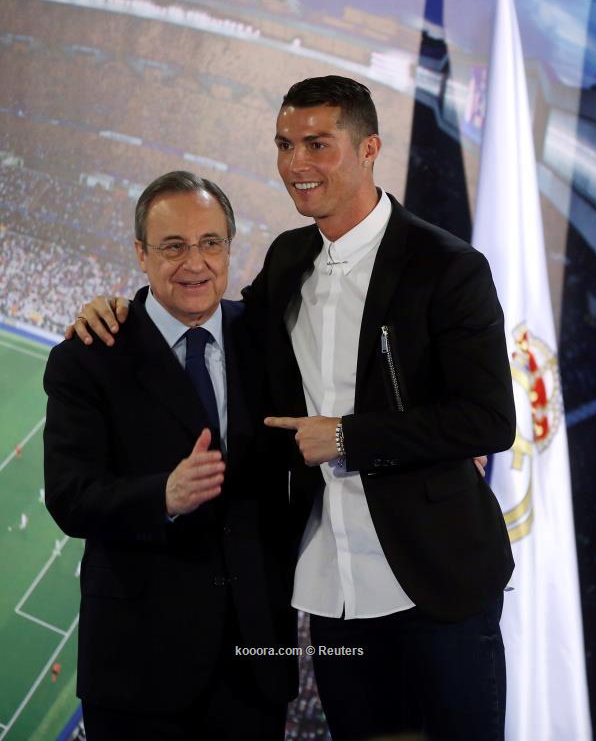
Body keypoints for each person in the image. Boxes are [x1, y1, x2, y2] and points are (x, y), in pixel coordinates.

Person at [69, 77, 515, 741]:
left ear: (369, 149)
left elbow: (490, 418)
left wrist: (348, 437)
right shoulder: (288, 257)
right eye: (284, 145)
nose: (295, 163)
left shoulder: (448, 267)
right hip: (333, 591)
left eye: (317, 144)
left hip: (438, 584)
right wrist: (125, 311)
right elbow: (215, 317)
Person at [44, 171, 295, 741]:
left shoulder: (268, 336)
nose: (195, 263)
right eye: (173, 246)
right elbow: (69, 497)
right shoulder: (90, 355)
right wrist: (163, 496)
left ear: (229, 248)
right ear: (141, 253)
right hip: (139, 669)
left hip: (255, 663)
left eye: (211, 243)